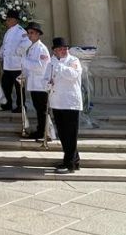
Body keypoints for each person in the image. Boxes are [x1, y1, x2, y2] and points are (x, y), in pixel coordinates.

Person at [46, 38, 83, 174]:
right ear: (54, 50)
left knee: (71, 134)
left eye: (65, 48)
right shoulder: (51, 62)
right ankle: (74, 160)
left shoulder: (73, 61)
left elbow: (73, 75)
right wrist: (47, 83)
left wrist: (59, 65)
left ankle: (69, 164)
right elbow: (46, 77)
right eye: (60, 49)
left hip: (70, 102)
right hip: (57, 102)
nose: (63, 51)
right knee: (62, 134)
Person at [21, 21, 50, 142]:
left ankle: (43, 132)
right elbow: (29, 67)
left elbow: (41, 66)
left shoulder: (41, 48)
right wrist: (23, 75)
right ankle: (41, 130)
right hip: (34, 84)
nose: (29, 35)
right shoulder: (32, 48)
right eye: (28, 33)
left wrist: (24, 61)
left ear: (38, 34)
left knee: (42, 110)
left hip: (40, 85)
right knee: (38, 109)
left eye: (32, 33)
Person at [0, 11, 27, 113]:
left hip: (17, 65)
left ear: (14, 20)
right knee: (6, 85)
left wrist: (18, 51)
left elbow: (27, 42)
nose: (6, 22)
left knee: (19, 87)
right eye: (7, 20)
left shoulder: (21, 31)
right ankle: (7, 103)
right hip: (8, 64)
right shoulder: (8, 32)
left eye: (8, 20)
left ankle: (21, 106)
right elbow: (5, 46)